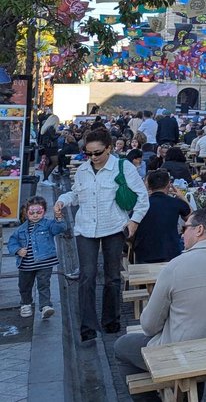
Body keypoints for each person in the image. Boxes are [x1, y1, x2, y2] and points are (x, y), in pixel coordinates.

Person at [115, 208, 206, 402]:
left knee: (122, 345)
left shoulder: (176, 266)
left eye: (185, 228)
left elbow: (149, 326)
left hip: (185, 352)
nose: (182, 234)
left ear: (199, 230)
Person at [55, 128, 149, 341]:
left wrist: (134, 221)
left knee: (112, 277)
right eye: (88, 154)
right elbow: (76, 194)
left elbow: (143, 197)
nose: (93, 158)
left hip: (113, 227)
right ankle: (87, 327)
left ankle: (111, 320)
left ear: (109, 148)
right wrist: (63, 200)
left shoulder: (123, 167)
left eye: (97, 153)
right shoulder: (83, 170)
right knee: (86, 276)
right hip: (86, 227)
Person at [7, 196, 68, 319]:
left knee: (43, 284)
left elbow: (60, 228)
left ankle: (45, 305)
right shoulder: (21, 229)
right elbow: (12, 242)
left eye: (38, 212)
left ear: (44, 212)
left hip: (45, 262)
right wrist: (18, 250)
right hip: (26, 264)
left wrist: (59, 217)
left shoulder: (48, 225)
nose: (35, 215)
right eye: (32, 212)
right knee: (24, 285)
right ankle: (25, 304)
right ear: (26, 213)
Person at [133, 170, 192, 264]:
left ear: (148, 185)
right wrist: (183, 198)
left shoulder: (140, 205)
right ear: (169, 185)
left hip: (144, 253)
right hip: (170, 252)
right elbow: (193, 219)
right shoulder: (176, 203)